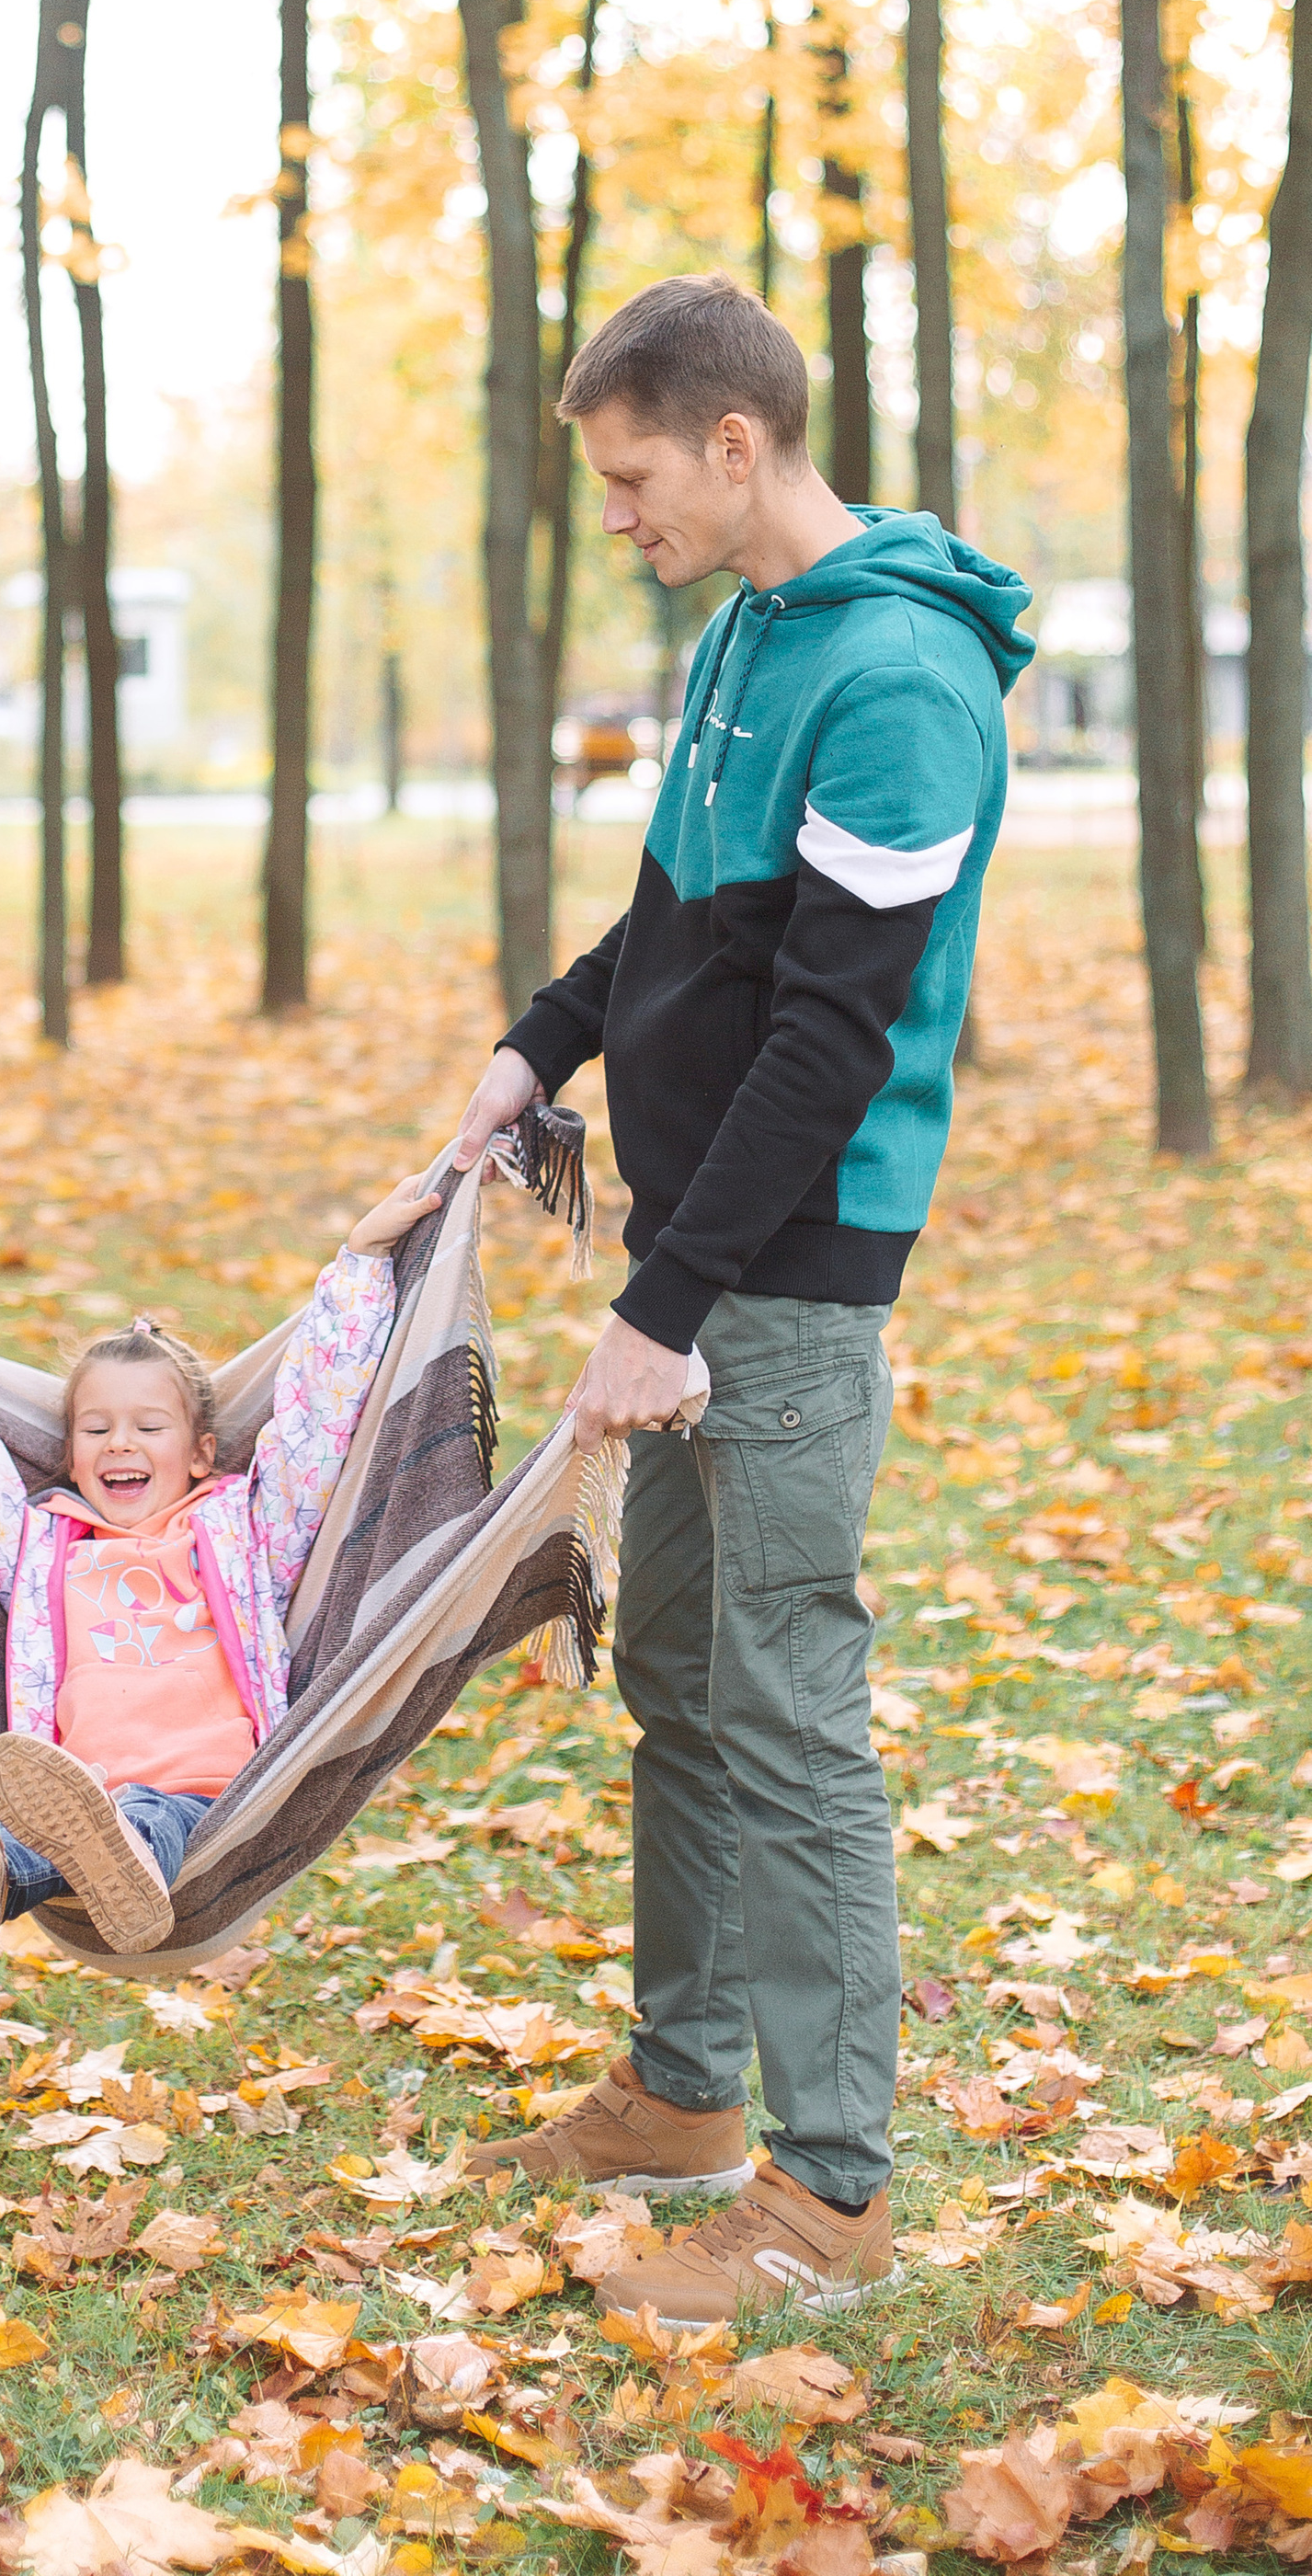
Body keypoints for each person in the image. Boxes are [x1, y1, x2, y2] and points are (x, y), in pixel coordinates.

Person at [449, 276, 1030, 2329]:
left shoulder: (894, 683)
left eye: (629, 480)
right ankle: (686, 2093)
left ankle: (831, 2198)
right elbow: (675, 926)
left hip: (773, 1282)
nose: (615, 517)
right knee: (678, 1680)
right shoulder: (737, 641)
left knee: (781, 1715)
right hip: (687, 1262)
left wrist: (670, 1303)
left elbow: (827, 1039)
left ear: (729, 443)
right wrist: (534, 1052)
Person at [0, 1174, 446, 1995]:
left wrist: (363, 1263)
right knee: (31, 1841)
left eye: (148, 1427)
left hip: (209, 1799)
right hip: (70, 1795)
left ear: (198, 1453)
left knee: (143, 1825)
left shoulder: (241, 1532)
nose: (120, 1443)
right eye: (95, 1429)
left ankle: (116, 1871)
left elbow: (316, 1429)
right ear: (70, 1453)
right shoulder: (43, 1549)